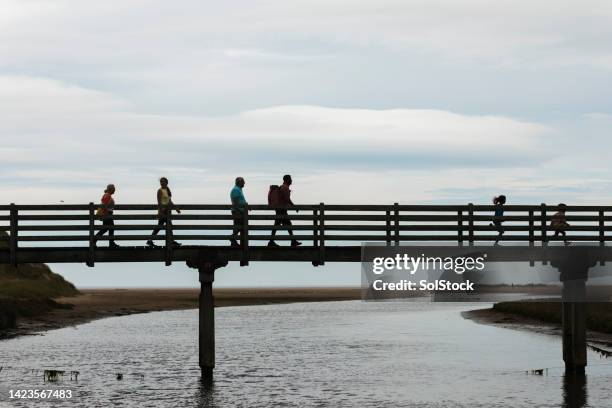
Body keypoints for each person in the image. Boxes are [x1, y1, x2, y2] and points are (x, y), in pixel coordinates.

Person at [147, 177, 181, 248]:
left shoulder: (167, 190)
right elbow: (159, 202)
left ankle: (150, 240)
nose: (162, 183)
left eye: (163, 182)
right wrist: (160, 212)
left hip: (167, 211)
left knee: (160, 226)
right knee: (167, 225)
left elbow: (169, 201)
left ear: (166, 183)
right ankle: (171, 241)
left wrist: (176, 208)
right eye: (161, 182)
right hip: (163, 211)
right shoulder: (160, 190)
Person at [268, 174, 301, 247]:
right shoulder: (285, 188)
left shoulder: (282, 187)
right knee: (283, 225)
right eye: (290, 179)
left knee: (283, 225)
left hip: (280, 209)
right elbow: (287, 199)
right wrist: (294, 207)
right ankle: (272, 241)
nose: (291, 180)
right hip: (281, 210)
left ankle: (292, 241)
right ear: (287, 180)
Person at [230, 177, 247, 247]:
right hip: (238, 211)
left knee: (239, 227)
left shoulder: (239, 189)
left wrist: (246, 207)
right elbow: (235, 202)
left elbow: (241, 201)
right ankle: (232, 238)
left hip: (240, 211)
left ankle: (234, 242)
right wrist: (240, 211)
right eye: (243, 181)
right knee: (240, 226)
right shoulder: (236, 190)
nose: (244, 183)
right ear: (239, 182)